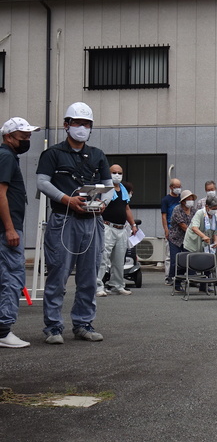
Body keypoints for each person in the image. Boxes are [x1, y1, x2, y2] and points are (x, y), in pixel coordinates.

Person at [37, 102, 111, 344]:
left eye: (86, 124)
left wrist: (103, 204)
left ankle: (83, 323)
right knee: (58, 273)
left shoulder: (98, 154)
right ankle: (53, 327)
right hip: (63, 219)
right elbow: (42, 182)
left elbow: (109, 187)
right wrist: (67, 199)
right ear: (66, 125)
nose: (82, 128)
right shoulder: (53, 154)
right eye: (77, 123)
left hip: (92, 221)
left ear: (91, 128)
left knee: (89, 276)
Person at [0, 117, 39, 349]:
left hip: (7, 229)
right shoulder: (5, 157)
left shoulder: (7, 157)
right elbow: (1, 194)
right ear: (8, 137)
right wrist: (10, 228)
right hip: (8, 231)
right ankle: (4, 330)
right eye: (23, 136)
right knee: (12, 277)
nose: (27, 140)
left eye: (29, 136)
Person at [96, 164, 138, 297]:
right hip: (107, 226)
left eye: (119, 173)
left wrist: (133, 225)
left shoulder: (123, 189)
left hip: (121, 228)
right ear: (109, 174)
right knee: (103, 258)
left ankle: (117, 285)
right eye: (114, 172)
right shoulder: (105, 189)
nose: (117, 175)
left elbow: (126, 208)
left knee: (119, 259)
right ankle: (98, 286)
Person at [183, 196, 217, 292]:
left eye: (216, 209)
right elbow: (194, 228)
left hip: (205, 243)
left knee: (206, 262)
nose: (215, 211)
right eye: (213, 209)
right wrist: (203, 236)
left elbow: (215, 230)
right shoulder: (200, 213)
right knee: (189, 264)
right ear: (207, 207)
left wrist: (215, 241)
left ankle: (204, 286)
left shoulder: (214, 216)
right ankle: (179, 284)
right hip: (193, 241)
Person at [197, 181, 217, 275]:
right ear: (205, 190)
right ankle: (206, 276)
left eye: (212, 189)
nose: (211, 191)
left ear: (216, 189)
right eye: (208, 190)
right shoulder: (200, 202)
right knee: (205, 255)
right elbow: (198, 217)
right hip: (205, 233)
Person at [169, 190, 197, 292]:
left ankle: (191, 279)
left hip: (188, 239)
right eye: (188, 199)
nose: (190, 201)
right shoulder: (177, 209)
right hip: (176, 238)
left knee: (189, 259)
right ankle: (174, 281)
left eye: (192, 199)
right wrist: (196, 233)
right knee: (176, 260)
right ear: (183, 201)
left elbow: (196, 223)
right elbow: (182, 225)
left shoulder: (194, 210)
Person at [161, 178, 181, 285]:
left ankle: (179, 276)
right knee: (169, 255)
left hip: (181, 231)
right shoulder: (166, 200)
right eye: (176, 187)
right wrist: (166, 230)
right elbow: (164, 216)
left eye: (179, 186)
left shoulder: (182, 199)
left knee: (180, 255)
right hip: (170, 229)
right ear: (171, 187)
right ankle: (168, 277)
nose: (178, 189)